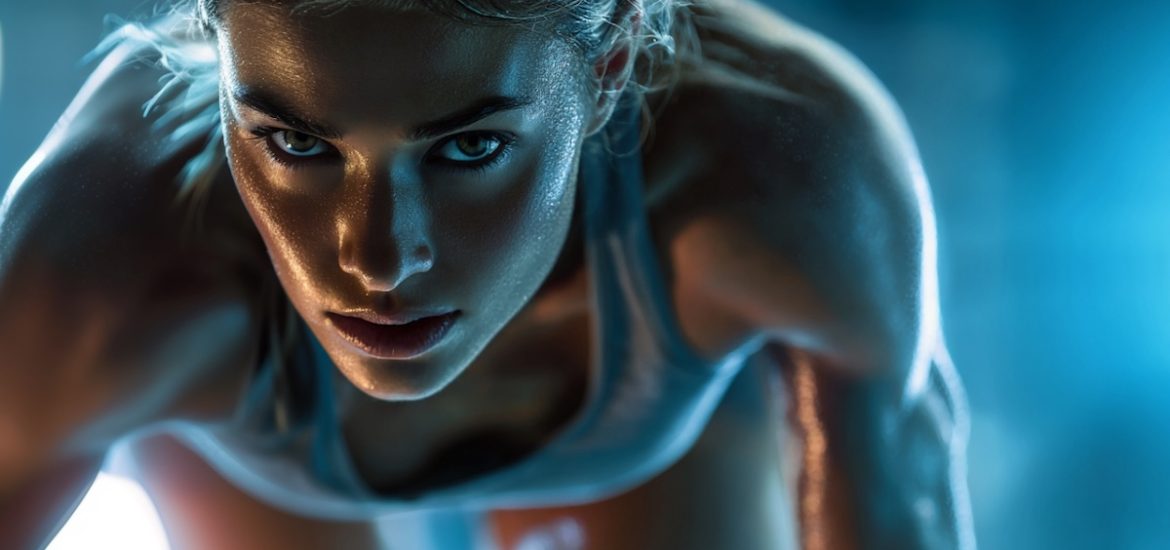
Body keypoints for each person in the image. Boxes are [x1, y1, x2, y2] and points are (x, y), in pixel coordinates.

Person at [0, 0, 974, 548]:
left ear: (611, 61)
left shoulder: (779, 184)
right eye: (297, 144)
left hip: (667, 428)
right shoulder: (101, 273)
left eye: (468, 148)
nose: (377, 258)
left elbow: (904, 496)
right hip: (231, 439)